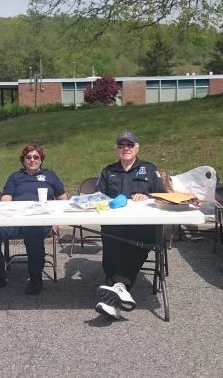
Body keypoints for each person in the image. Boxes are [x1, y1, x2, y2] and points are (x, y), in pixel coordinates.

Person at [94, 130, 166, 320]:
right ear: (116, 149)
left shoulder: (149, 169)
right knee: (110, 256)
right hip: (114, 226)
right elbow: (97, 198)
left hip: (143, 227)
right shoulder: (108, 171)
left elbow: (164, 196)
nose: (125, 148)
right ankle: (119, 294)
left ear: (137, 148)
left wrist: (147, 196)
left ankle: (117, 290)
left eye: (129, 145)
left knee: (133, 246)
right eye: (121, 145)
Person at [0, 144, 67, 295]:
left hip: (40, 218)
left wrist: (55, 219)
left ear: (41, 160)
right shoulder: (15, 176)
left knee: (33, 232)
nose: (32, 160)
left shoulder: (50, 176)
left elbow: (63, 198)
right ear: (23, 160)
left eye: (36, 157)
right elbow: (6, 197)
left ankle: (35, 279)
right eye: (28, 157)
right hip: (15, 217)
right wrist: (4, 212)